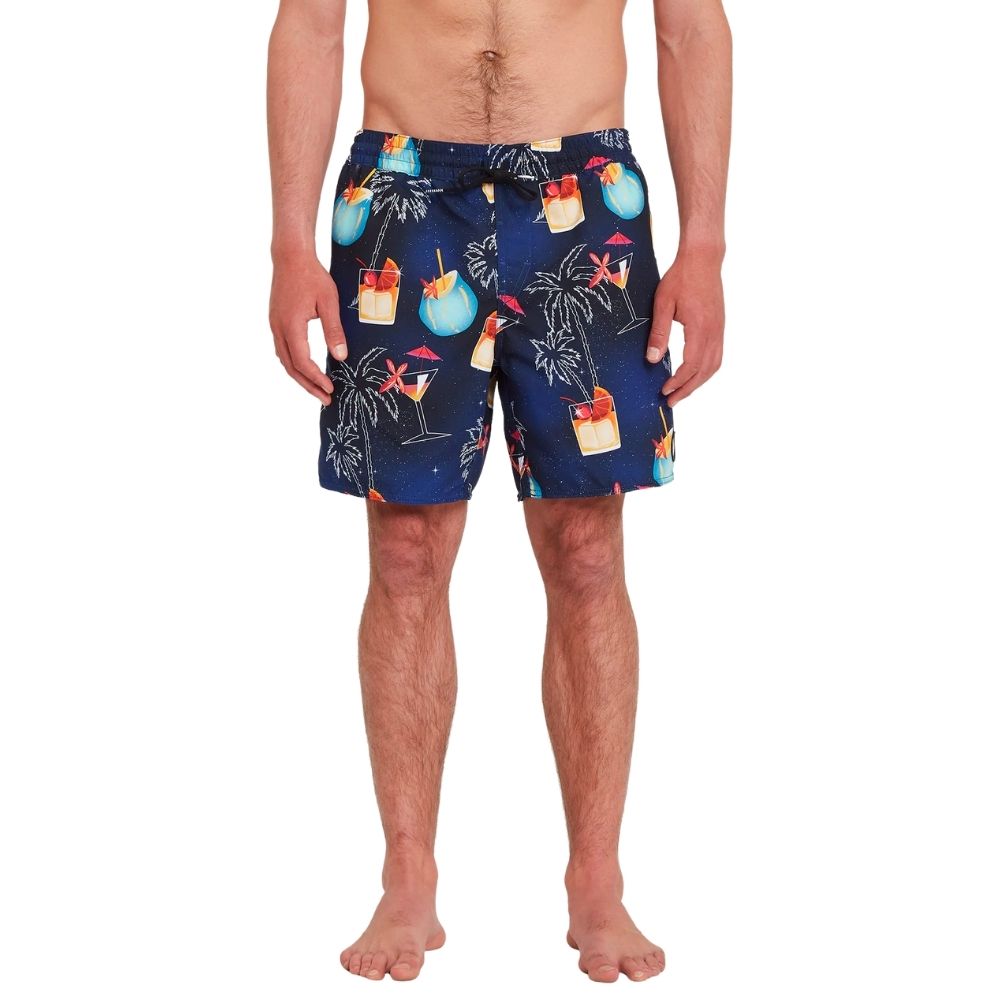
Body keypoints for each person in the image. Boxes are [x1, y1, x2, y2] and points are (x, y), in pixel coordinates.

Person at [267, 0, 731, 983]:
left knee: (588, 549)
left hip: (584, 192)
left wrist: (705, 245)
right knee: (405, 547)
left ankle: (596, 879)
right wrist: (288, 246)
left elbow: (691, 25)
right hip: (402, 188)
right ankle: (407, 874)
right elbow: (309, 23)